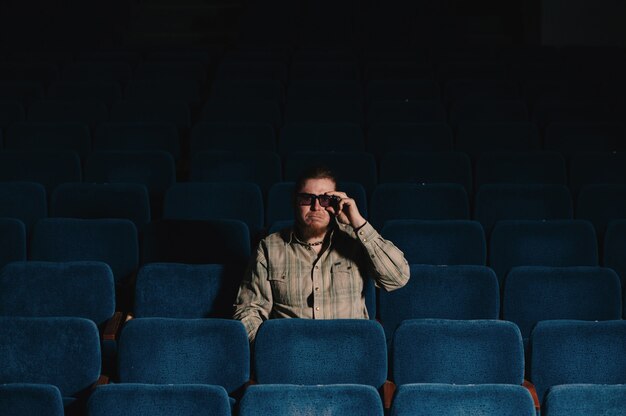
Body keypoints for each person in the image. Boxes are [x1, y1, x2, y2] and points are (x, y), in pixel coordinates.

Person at [233, 166, 410, 342]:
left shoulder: (356, 241)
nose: (316, 206)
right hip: (292, 356)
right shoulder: (270, 247)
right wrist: (272, 350)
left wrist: (358, 223)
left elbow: (397, 278)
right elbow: (249, 311)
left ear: (337, 202)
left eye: (326, 200)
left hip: (349, 352)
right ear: (295, 202)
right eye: (306, 198)